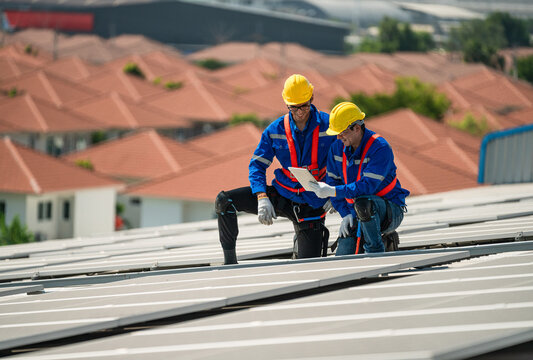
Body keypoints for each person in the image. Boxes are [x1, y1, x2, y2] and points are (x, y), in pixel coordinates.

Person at [215, 74, 337, 265]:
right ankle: (229, 263)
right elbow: (257, 165)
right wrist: (262, 197)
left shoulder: (330, 125)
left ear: (312, 99)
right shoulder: (275, 129)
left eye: (304, 105)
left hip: (314, 201)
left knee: (309, 267)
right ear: (286, 104)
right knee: (224, 201)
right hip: (284, 194)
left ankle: (302, 244)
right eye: (293, 107)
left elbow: (348, 159)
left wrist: (337, 191)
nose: (299, 112)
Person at [307, 102, 409, 255]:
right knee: (343, 256)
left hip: (389, 210)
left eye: (341, 132)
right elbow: (333, 181)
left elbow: (366, 187)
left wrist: (333, 191)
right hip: (356, 211)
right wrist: (345, 213)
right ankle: (373, 240)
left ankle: (376, 251)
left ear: (356, 128)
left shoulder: (380, 148)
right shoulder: (337, 148)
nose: (338, 137)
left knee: (364, 204)